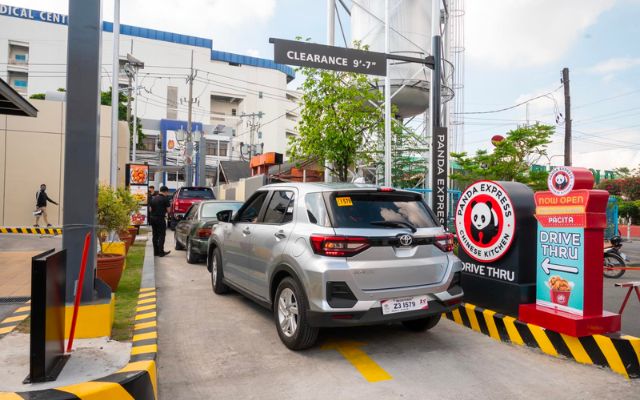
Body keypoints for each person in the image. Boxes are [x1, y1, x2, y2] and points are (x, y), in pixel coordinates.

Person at [149, 186, 171, 257]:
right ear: (166, 191)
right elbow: (169, 210)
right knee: (162, 235)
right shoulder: (165, 199)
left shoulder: (154, 198)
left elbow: (150, 209)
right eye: (167, 192)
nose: (167, 193)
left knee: (155, 235)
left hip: (152, 218)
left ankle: (155, 252)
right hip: (160, 219)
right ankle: (161, 252)